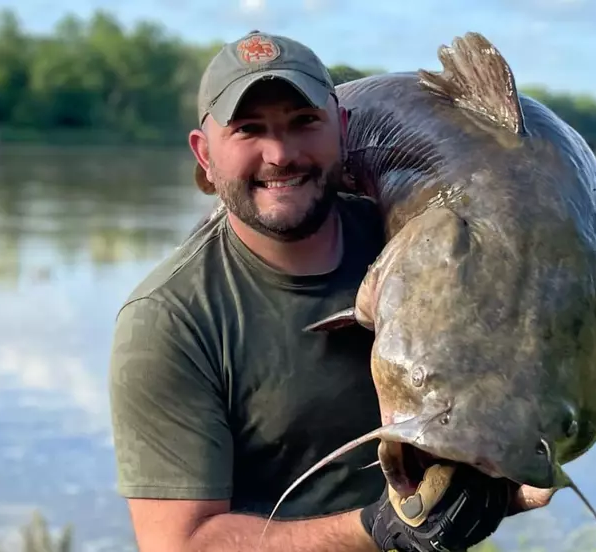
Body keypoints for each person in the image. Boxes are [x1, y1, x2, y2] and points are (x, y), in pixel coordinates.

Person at [108, 30, 555, 552]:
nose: (280, 154)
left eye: (304, 123)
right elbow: (180, 544)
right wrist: (377, 530)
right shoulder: (169, 320)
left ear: (342, 127)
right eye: (249, 130)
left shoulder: (418, 243)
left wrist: (498, 483)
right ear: (204, 154)